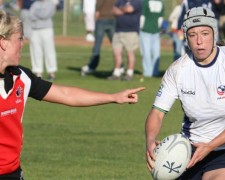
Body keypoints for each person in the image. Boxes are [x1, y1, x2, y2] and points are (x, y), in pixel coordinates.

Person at [0, 10, 145, 179]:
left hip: (13, 172)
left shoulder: (22, 77)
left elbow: (66, 94)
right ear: (3, 42)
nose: (23, 44)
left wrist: (113, 97)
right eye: (19, 38)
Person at [145, 7, 225, 180]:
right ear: (186, 38)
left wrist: (210, 146)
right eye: (192, 35)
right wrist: (151, 140)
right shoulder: (178, 70)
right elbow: (157, 113)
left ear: (214, 35)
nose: (199, 41)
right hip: (188, 154)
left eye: (204, 33)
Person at [107, 0, 142, 81]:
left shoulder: (137, 1)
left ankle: (129, 73)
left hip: (131, 31)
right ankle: (116, 73)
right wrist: (123, 9)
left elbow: (130, 9)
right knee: (116, 52)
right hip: (118, 30)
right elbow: (113, 10)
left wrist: (120, 9)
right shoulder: (120, 1)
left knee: (130, 53)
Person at [81, 0, 117, 76]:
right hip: (113, 17)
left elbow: (99, 3)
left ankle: (92, 66)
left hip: (102, 18)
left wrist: (97, 11)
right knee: (116, 45)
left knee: (97, 45)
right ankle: (120, 66)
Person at [29, 0, 57, 81]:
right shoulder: (34, 4)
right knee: (35, 51)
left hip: (46, 29)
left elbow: (45, 15)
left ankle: (51, 72)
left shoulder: (50, 3)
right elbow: (31, 15)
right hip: (35, 30)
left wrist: (37, 13)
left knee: (49, 51)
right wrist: (40, 14)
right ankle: (38, 72)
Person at [140, 0, 164, 77]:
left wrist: (141, 27)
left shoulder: (145, 2)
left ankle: (148, 72)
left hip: (145, 29)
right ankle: (155, 71)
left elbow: (142, 16)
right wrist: (158, 28)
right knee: (156, 51)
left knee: (146, 51)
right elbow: (160, 19)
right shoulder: (161, 3)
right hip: (156, 30)